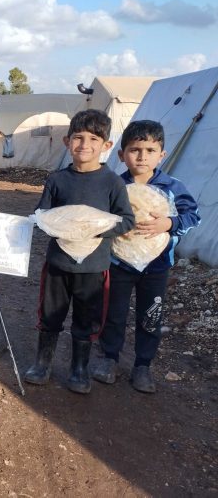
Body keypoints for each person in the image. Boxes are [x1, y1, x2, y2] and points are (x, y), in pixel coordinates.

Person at [24, 109, 135, 394]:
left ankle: (79, 368)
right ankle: (42, 363)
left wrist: (94, 227)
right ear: (67, 141)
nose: (85, 145)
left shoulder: (113, 182)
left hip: (94, 265)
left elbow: (126, 220)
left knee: (86, 318)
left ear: (107, 146)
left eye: (93, 139)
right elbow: (41, 214)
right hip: (58, 262)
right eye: (78, 138)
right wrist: (55, 223)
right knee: (50, 315)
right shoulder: (57, 180)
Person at [92, 120, 200, 393]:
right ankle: (110, 358)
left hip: (156, 266)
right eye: (135, 149)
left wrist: (169, 224)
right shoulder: (114, 184)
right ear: (121, 154)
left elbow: (193, 215)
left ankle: (142, 365)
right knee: (113, 312)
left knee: (150, 315)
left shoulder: (172, 187)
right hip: (118, 263)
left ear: (161, 154)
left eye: (150, 150)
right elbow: (99, 218)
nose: (142, 156)